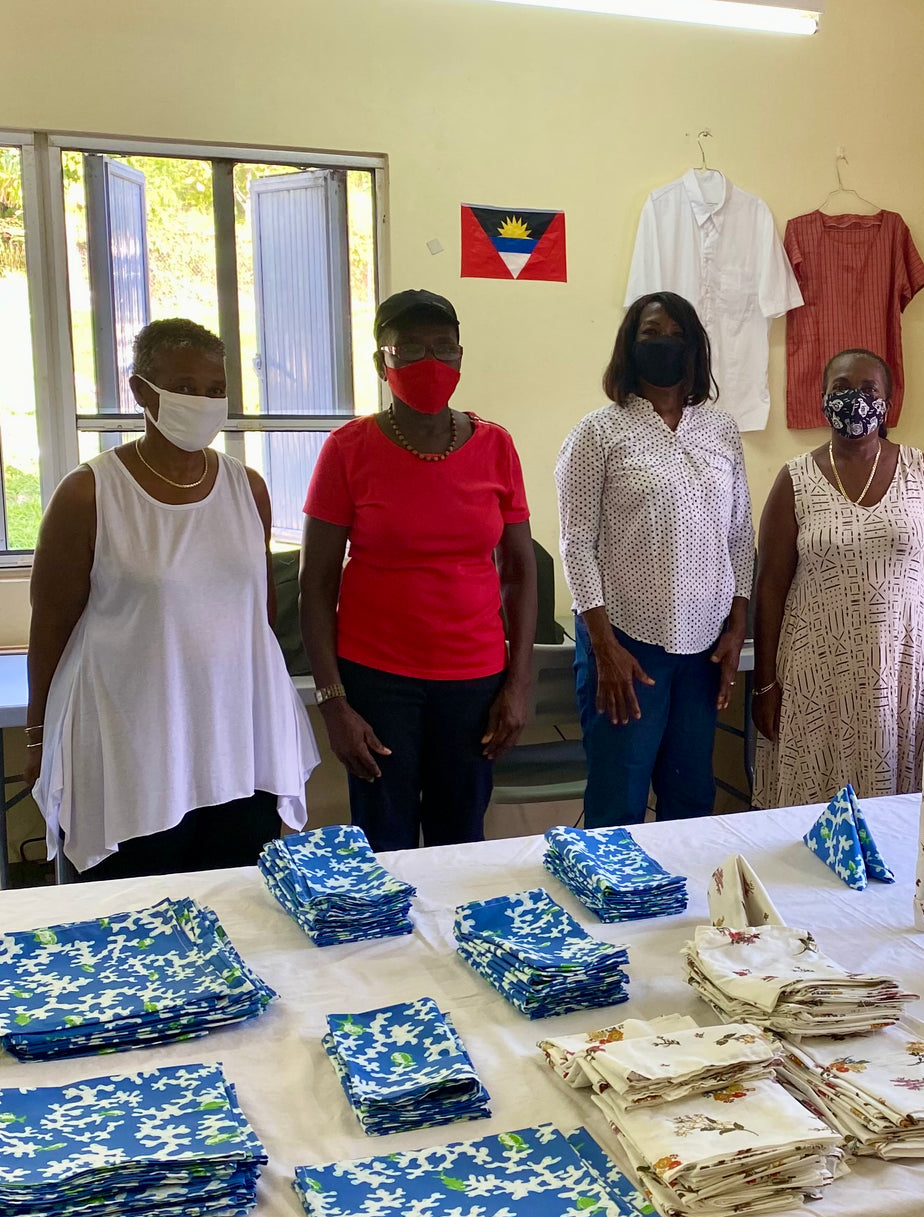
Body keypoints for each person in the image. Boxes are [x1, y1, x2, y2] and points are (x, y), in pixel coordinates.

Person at [27, 318, 318, 880]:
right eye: (185, 388)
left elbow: (259, 612)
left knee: (235, 904)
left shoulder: (247, 487)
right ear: (142, 392)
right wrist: (38, 736)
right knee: (133, 921)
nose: (204, 403)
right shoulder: (90, 493)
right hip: (132, 744)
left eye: (216, 391)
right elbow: (52, 627)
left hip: (235, 738)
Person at [300, 289, 536, 851]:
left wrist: (519, 683)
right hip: (377, 682)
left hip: (475, 683)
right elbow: (315, 586)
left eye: (442, 347)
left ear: (460, 356)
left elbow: (520, 572)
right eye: (408, 348)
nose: (428, 362)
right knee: (384, 845)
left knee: (461, 841)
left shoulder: (496, 446)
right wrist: (334, 703)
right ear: (383, 361)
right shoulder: (347, 449)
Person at [753, 347, 924, 807]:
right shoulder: (794, 479)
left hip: (903, 667)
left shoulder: (920, 470)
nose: (854, 400)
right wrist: (764, 683)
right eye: (841, 389)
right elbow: (771, 587)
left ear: (887, 402)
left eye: (867, 390)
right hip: (815, 672)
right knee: (810, 805)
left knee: (901, 809)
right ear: (822, 398)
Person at [556, 291, 753, 829]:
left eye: (674, 335)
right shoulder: (598, 432)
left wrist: (737, 628)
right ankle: (612, 909)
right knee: (617, 803)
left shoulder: (721, 430)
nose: (663, 344)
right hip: (626, 646)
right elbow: (576, 544)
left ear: (692, 348)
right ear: (629, 345)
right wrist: (604, 649)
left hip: (705, 650)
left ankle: (689, 910)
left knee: (691, 803)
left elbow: (738, 533)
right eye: (650, 334)